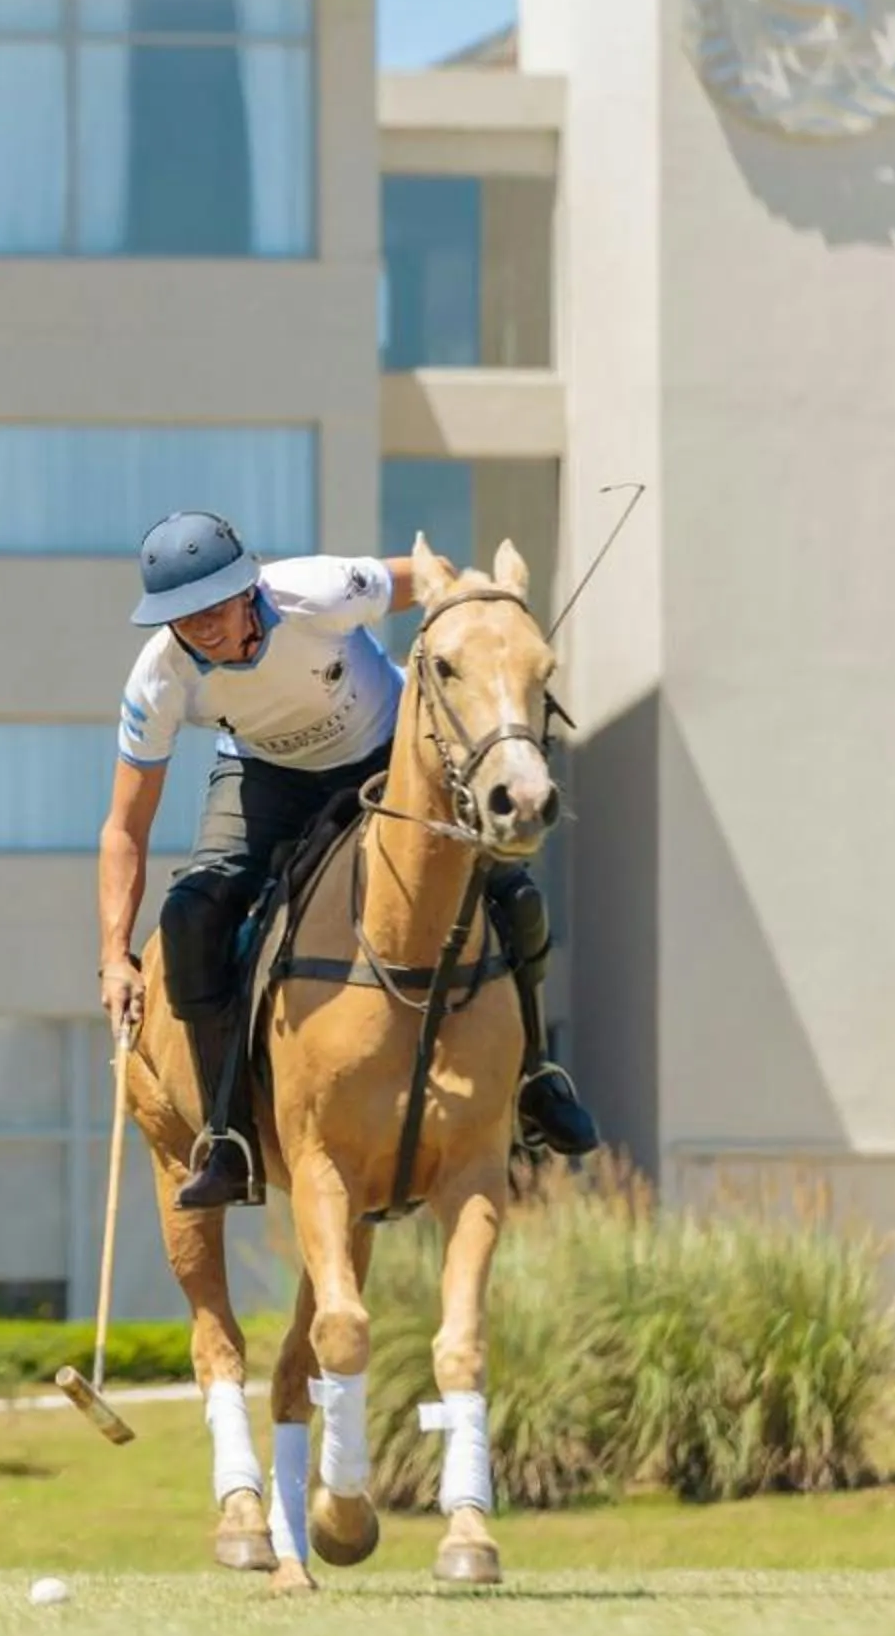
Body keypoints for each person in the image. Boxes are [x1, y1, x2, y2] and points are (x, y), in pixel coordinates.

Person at [94, 508, 601, 1210]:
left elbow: (431, 583)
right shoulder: (160, 679)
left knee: (514, 896)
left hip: (388, 755)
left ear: (251, 588)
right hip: (265, 776)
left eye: (215, 607)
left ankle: (537, 1082)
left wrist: (487, 610)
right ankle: (229, 1134)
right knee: (189, 919)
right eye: (183, 617)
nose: (203, 628)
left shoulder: (320, 590)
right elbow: (125, 826)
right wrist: (116, 953)